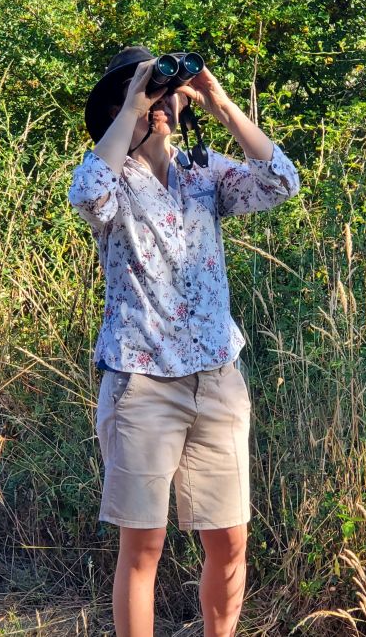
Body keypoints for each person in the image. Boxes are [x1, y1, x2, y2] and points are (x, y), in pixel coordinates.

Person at [68, 46, 300, 637]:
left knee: (230, 541)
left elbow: (281, 181)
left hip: (217, 379)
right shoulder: (114, 179)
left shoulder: (206, 175)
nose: (161, 101)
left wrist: (220, 102)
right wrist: (132, 106)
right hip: (141, 385)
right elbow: (87, 195)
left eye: (166, 91)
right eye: (149, 93)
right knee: (142, 547)